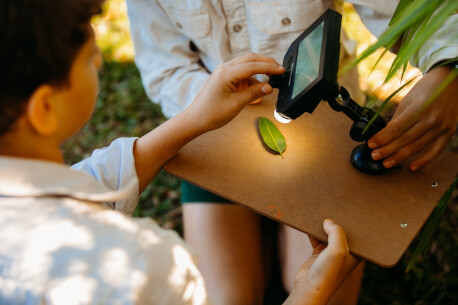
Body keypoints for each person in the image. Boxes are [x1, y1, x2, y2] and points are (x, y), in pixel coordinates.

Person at [0, 0, 362, 304]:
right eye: (90, 55)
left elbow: (93, 181)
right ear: (45, 109)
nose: (98, 61)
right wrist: (310, 294)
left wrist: (193, 120)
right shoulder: (146, 265)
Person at [126, 1, 457, 304]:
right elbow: (166, 69)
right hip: (214, 136)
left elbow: (409, 12)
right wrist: (218, 115)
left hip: (327, 136)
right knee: (226, 299)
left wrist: (449, 68)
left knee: (326, 293)